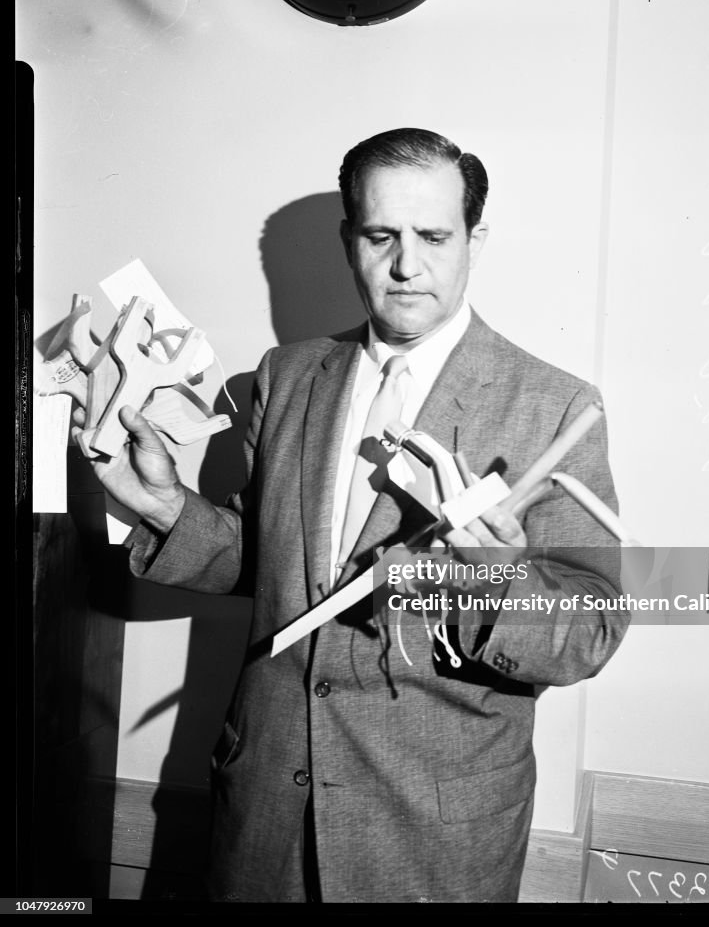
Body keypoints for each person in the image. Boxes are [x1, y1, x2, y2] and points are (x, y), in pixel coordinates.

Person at [86, 128, 629, 903]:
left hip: (434, 836)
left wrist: (497, 585)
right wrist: (168, 508)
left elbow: (593, 626)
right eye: (381, 236)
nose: (407, 266)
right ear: (350, 241)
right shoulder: (286, 376)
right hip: (264, 811)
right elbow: (270, 562)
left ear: (475, 238)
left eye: (434, 237)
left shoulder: (553, 405)